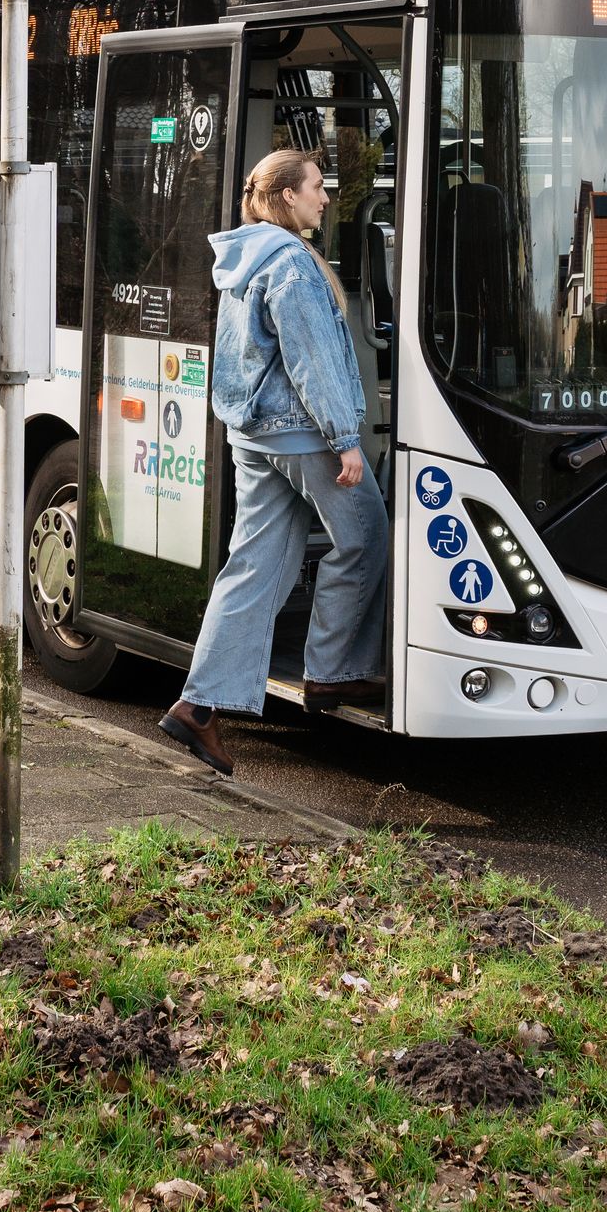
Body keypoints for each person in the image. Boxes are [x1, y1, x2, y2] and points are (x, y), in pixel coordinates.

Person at [159, 147, 389, 778]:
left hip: (253, 434)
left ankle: (199, 704)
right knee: (366, 532)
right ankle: (334, 672)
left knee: (254, 565)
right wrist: (345, 438)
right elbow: (311, 357)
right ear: (288, 195)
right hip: (301, 435)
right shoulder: (289, 264)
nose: (324, 197)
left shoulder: (244, 256)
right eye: (317, 187)